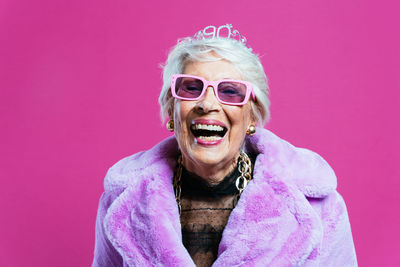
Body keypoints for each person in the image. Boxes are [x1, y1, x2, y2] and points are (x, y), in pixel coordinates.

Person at [92, 24, 357, 266]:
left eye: (230, 91)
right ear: (172, 108)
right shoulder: (122, 204)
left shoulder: (317, 208)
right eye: (191, 88)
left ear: (252, 115)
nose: (207, 104)